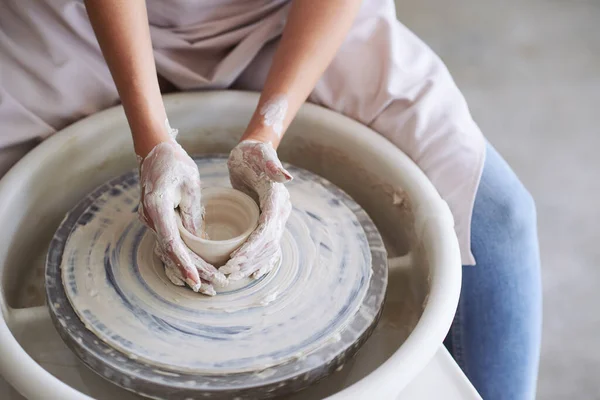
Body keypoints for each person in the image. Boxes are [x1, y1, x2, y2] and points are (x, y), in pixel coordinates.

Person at [0, 0, 541, 398]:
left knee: (498, 221)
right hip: (81, 27)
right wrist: (152, 142)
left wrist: (266, 133)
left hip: (280, 19)